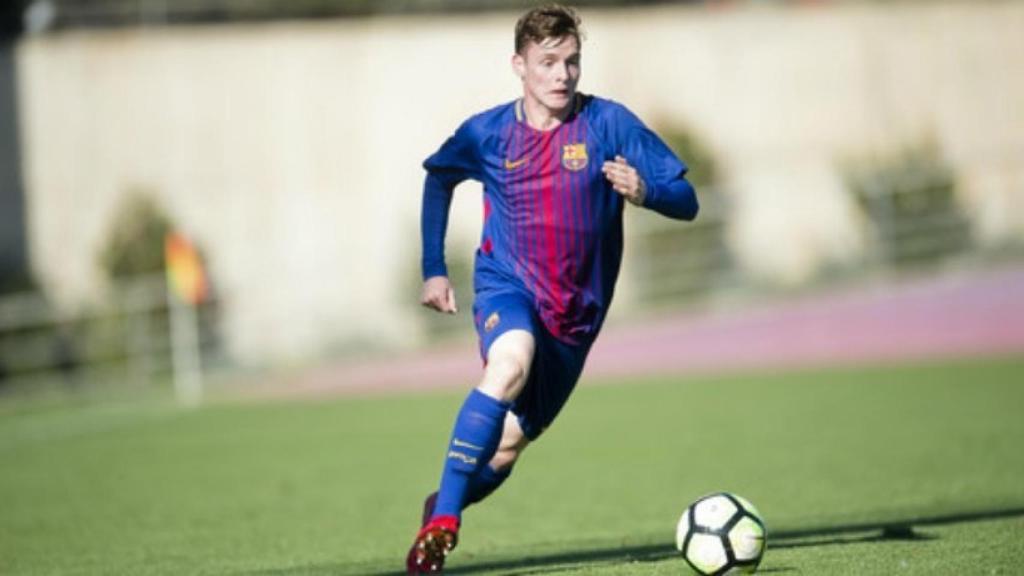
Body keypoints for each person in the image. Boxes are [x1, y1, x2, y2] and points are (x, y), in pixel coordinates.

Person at [407, 4, 698, 573]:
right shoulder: (487, 133)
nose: (562, 75)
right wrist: (433, 267)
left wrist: (646, 192)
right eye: (548, 62)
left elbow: (687, 200)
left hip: (576, 320)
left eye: (571, 62)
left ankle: (438, 504)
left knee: (509, 446)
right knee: (510, 362)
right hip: (506, 285)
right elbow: (439, 178)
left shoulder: (608, 124)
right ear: (519, 65)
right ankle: (445, 521)